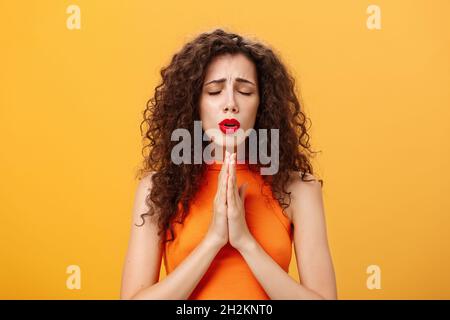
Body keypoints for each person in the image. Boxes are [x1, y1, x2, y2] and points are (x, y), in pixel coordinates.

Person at [120, 28, 337, 300]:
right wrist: (213, 240)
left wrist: (245, 242)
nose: (230, 104)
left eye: (245, 91)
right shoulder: (159, 187)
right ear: (194, 103)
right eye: (214, 91)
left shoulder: (299, 188)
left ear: (263, 104)